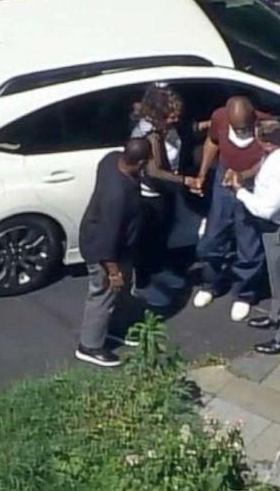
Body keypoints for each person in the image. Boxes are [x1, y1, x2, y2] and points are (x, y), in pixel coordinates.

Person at [230, 118, 280, 355]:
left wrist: (239, 190)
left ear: (268, 144)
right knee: (276, 279)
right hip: (276, 226)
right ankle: (277, 316)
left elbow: (265, 209)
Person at [193, 96, 271, 322]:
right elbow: (212, 142)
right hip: (224, 180)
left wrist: (243, 177)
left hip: (252, 185)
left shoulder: (266, 125)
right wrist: (202, 173)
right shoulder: (219, 117)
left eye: (246, 128)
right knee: (213, 238)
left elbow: (268, 158)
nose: (242, 132)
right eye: (238, 128)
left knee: (249, 242)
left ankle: (245, 294)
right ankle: (211, 283)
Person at [76, 138, 151, 368]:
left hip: (115, 246)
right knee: (104, 294)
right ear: (139, 163)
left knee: (121, 291)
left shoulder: (110, 160)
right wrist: (113, 271)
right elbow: (108, 238)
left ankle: (114, 329)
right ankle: (90, 345)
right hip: (105, 251)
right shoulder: (117, 196)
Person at [129, 85, 200, 308]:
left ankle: (160, 271)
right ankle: (142, 285)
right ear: (157, 114)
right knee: (147, 241)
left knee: (162, 237)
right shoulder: (149, 135)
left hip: (165, 192)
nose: (175, 119)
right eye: (170, 116)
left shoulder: (165, 128)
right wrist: (186, 181)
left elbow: (189, 131)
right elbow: (154, 171)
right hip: (149, 196)